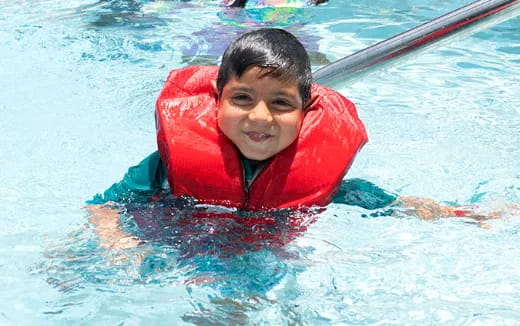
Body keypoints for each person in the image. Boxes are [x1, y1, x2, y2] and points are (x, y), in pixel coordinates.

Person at [87, 28, 518, 251]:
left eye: (280, 103)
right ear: (216, 101)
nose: (260, 118)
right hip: (176, 242)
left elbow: (385, 203)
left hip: (263, 253)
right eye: (242, 99)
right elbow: (103, 205)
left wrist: (463, 214)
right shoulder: (163, 165)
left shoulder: (311, 174)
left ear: (306, 111)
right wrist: (114, 238)